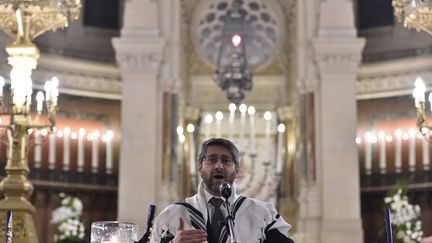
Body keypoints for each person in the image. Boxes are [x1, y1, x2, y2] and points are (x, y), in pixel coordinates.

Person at [150, 138, 294, 243]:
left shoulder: (261, 214)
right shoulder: (173, 215)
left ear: (237, 169)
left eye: (226, 160)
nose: (219, 166)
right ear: (200, 168)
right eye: (211, 160)